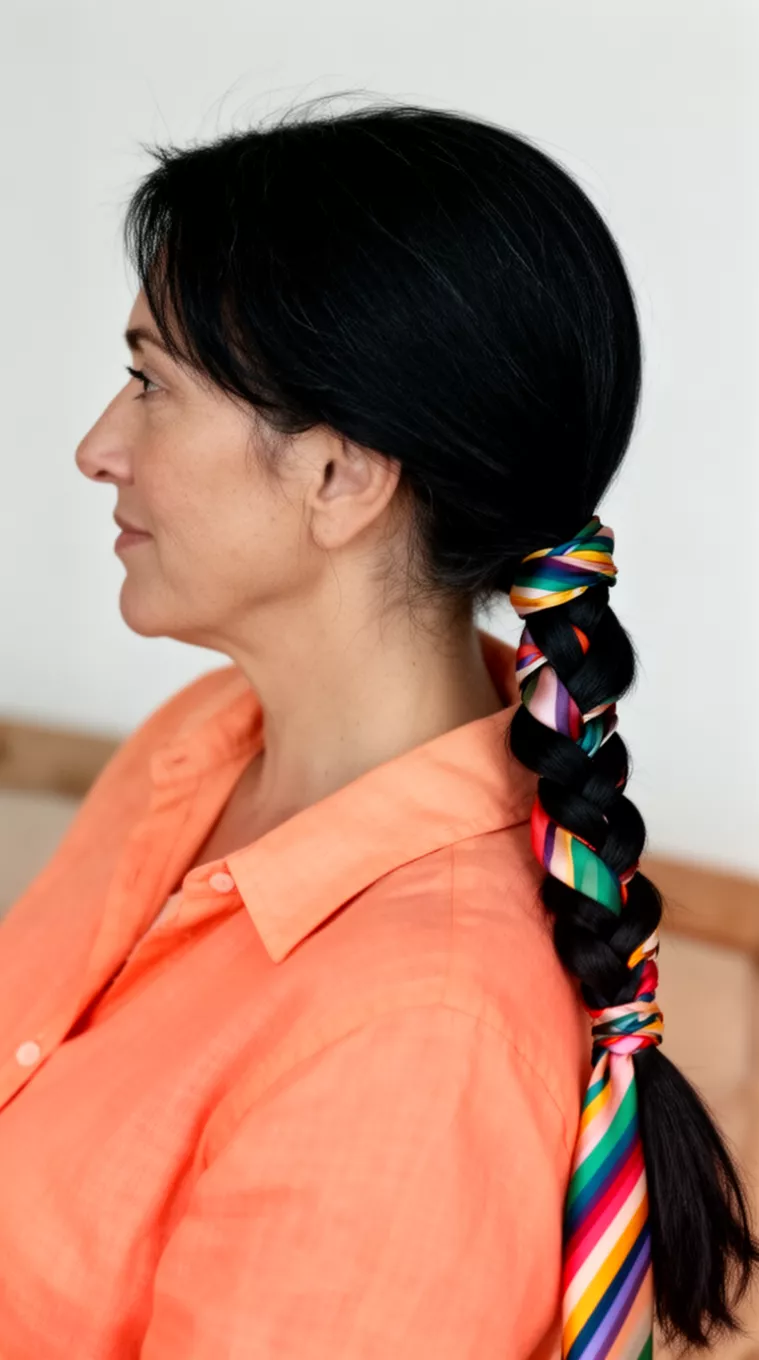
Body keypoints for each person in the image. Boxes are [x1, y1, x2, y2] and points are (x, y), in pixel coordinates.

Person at [0, 96, 756, 1360]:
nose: (97, 446)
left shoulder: (418, 1035)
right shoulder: (203, 740)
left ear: (343, 476)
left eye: (150, 384)